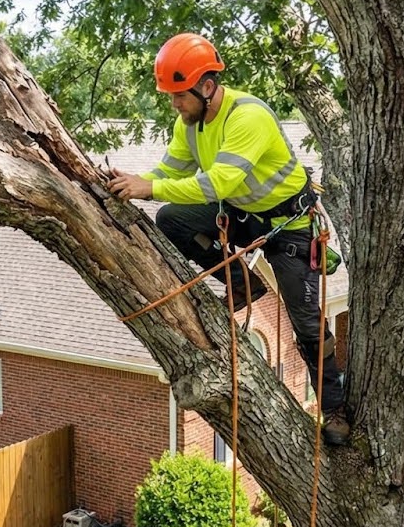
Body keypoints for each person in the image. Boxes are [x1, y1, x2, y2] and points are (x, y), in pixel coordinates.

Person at [107, 33, 350, 445]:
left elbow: (219, 181)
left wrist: (148, 189)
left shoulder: (247, 117)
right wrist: (131, 182)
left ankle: (336, 410)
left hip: (288, 226)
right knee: (172, 220)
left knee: (309, 328)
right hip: (245, 214)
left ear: (206, 86)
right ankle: (243, 284)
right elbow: (168, 173)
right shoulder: (190, 123)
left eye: (179, 95)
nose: (174, 105)